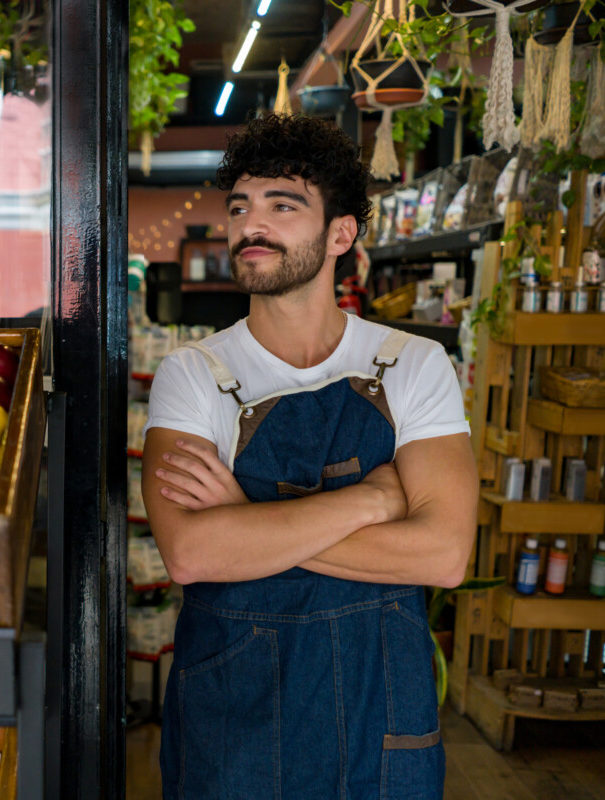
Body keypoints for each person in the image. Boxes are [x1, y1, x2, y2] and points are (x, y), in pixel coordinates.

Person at [141, 114, 478, 800]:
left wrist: (251, 520)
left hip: (379, 705)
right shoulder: (194, 374)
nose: (250, 226)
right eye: (240, 206)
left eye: (282, 206)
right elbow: (192, 556)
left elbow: (443, 556)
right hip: (237, 709)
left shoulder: (412, 364)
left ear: (341, 234)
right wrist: (373, 502)